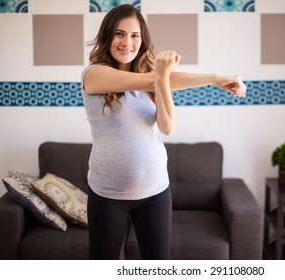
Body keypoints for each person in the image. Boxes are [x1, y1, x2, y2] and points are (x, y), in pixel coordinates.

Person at [81, 4, 246, 260]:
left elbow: (167, 127)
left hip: (155, 190)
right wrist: (168, 75)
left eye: (135, 35)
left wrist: (215, 79)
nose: (127, 42)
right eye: (119, 33)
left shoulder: (154, 79)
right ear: (107, 37)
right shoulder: (93, 74)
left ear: (142, 39)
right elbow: (153, 79)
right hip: (108, 193)